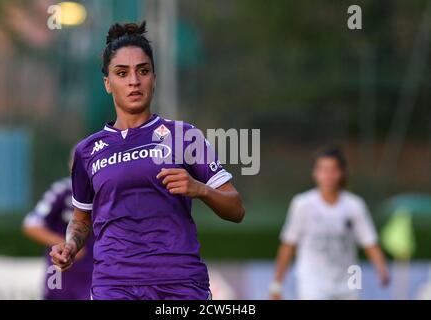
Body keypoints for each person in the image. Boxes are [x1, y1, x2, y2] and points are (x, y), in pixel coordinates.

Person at [50, 21, 245, 300]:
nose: (134, 81)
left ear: (154, 77)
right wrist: (70, 245)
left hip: (181, 285)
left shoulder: (184, 136)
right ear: (107, 83)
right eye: (122, 73)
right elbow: (81, 221)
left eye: (143, 71)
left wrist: (199, 189)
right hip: (113, 286)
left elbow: (236, 209)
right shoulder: (87, 151)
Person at [270, 146, 390, 300]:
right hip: (312, 282)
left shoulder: (355, 205)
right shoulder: (302, 204)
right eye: (323, 170)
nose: (328, 176)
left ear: (341, 173)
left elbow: (369, 241)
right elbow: (288, 244)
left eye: (332, 170)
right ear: (315, 173)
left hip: (349, 280)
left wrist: (381, 269)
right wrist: (276, 284)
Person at [22, 150, 94, 300]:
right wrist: (67, 245)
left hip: (94, 272)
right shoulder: (61, 190)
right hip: (59, 272)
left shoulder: (108, 191)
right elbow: (31, 225)